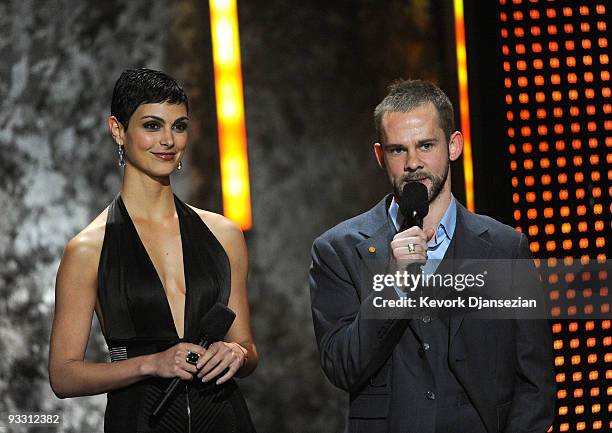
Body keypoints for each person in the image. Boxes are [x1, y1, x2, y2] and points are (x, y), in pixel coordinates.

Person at [309, 79, 555, 433]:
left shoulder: (505, 248)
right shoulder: (338, 250)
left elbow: (536, 383)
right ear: (381, 156)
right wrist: (394, 287)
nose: (413, 163)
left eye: (426, 145)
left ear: (453, 146)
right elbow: (342, 368)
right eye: (398, 150)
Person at [49, 68, 257, 433]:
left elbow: (247, 348)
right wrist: (151, 363)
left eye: (178, 126)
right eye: (151, 125)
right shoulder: (88, 249)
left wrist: (237, 353)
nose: (168, 140)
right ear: (118, 130)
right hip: (140, 421)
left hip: (225, 419)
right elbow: (63, 376)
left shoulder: (223, 234)